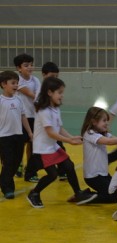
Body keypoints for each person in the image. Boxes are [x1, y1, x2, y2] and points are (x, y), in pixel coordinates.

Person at [26, 77, 97, 208]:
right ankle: (34, 193)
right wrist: (69, 141)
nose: (62, 95)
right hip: (43, 148)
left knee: (69, 165)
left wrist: (72, 137)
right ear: (49, 93)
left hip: (52, 146)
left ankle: (78, 193)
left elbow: (59, 128)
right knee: (52, 175)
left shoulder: (55, 109)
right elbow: (50, 132)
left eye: (62, 92)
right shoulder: (44, 111)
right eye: (59, 92)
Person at [80, 106, 117, 205]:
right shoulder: (89, 134)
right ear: (94, 122)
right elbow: (109, 141)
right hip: (93, 176)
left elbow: (114, 138)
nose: (107, 123)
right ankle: (85, 197)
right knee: (113, 197)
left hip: (102, 174)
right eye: (104, 120)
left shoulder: (102, 133)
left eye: (107, 121)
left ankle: (89, 194)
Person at [0, 71, 33, 199]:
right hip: (4, 137)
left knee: (16, 161)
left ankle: (3, 179)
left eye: (17, 83)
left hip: (18, 135)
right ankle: (7, 188)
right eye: (13, 83)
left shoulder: (18, 99)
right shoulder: (1, 100)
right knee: (8, 162)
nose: (16, 85)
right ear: (3, 84)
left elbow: (23, 116)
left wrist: (29, 132)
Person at [14, 53, 41, 182]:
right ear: (19, 68)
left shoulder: (36, 80)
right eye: (26, 65)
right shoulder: (17, 81)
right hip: (21, 117)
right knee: (21, 144)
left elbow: (39, 97)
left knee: (32, 144)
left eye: (31, 65)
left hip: (34, 116)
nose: (30, 67)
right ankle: (18, 163)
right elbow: (32, 94)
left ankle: (30, 169)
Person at [42, 61, 67, 181]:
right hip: (44, 132)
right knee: (37, 157)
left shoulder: (55, 97)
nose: (55, 79)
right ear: (44, 75)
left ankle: (63, 172)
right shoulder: (41, 94)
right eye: (52, 76)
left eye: (57, 76)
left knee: (61, 151)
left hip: (53, 132)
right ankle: (30, 172)